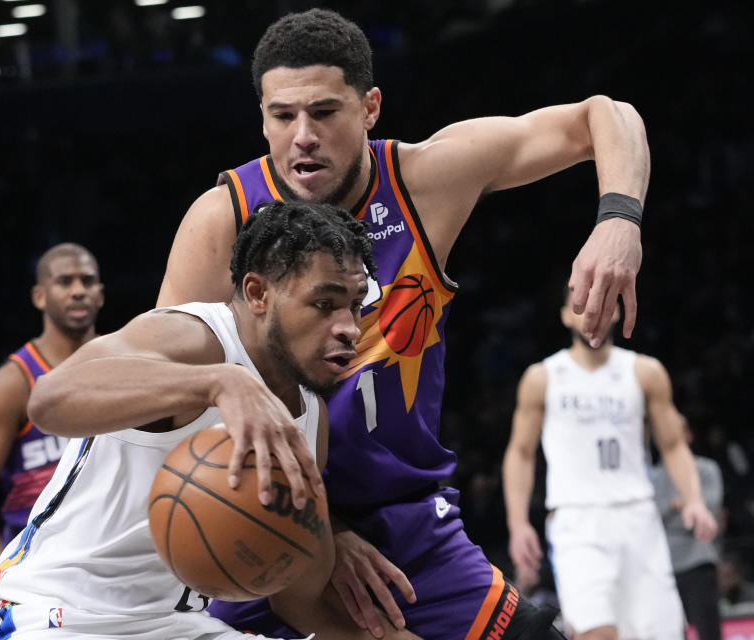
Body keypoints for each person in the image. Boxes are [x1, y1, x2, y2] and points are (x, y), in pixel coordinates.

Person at [157, 7, 647, 640]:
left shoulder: (424, 181)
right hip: (265, 526)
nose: (302, 134)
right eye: (282, 116)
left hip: (410, 527)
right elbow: (170, 400)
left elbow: (604, 115)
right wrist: (321, 537)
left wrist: (619, 222)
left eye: (325, 112)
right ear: (262, 118)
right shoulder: (224, 219)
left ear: (370, 108)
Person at [0, 202, 421, 640]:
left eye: (356, 305)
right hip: (56, 617)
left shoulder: (309, 417)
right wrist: (218, 383)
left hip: (174, 624)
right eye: (325, 304)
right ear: (258, 294)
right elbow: (50, 400)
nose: (349, 326)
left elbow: (298, 597)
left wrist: (326, 538)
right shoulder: (192, 337)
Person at [502, 288, 718, 639]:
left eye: (603, 305)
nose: (592, 314)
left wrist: (694, 499)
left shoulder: (645, 371)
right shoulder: (542, 377)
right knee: (596, 632)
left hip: (639, 517)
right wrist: (518, 523)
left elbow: (674, 444)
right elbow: (520, 453)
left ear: (617, 312)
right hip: (577, 519)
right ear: (565, 315)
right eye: (581, 307)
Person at [0, 243, 105, 572]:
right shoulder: (13, 382)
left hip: (114, 552)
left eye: (87, 281)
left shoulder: (122, 362)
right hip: (41, 565)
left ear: (101, 294)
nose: (78, 291)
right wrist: (0, 570)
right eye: (65, 282)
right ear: (39, 296)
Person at [652, 415, 724, 640]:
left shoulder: (706, 468)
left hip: (699, 557)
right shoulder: (651, 475)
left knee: (709, 628)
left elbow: (710, 509)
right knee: (669, 629)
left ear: (689, 435)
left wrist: (682, 507)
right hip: (663, 563)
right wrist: (684, 503)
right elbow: (649, 518)